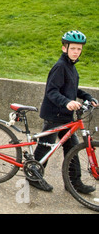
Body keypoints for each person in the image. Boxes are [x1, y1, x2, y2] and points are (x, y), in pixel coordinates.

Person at [30, 30, 98, 192]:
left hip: (65, 117)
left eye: (79, 49)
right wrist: (67, 102)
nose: (76, 52)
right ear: (64, 48)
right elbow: (52, 91)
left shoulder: (70, 67)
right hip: (54, 115)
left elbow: (72, 89)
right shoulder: (60, 67)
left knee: (72, 150)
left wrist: (87, 96)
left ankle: (74, 183)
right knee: (46, 146)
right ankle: (33, 176)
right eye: (73, 48)